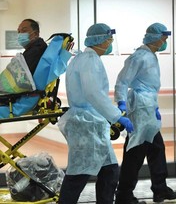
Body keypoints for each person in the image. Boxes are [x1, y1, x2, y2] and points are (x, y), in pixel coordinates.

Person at [57, 23, 134, 204]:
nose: (110, 44)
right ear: (99, 40)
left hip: (91, 123)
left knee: (110, 170)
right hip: (87, 124)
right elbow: (93, 93)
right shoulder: (89, 60)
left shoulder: (83, 59)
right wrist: (117, 116)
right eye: (109, 40)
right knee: (79, 175)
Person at [114, 23, 176, 204]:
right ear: (154, 37)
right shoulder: (138, 57)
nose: (165, 42)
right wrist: (121, 103)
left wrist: (154, 106)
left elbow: (150, 86)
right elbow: (122, 81)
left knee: (157, 149)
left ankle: (160, 188)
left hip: (148, 108)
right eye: (163, 38)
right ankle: (124, 194)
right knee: (135, 152)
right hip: (140, 110)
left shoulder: (150, 56)